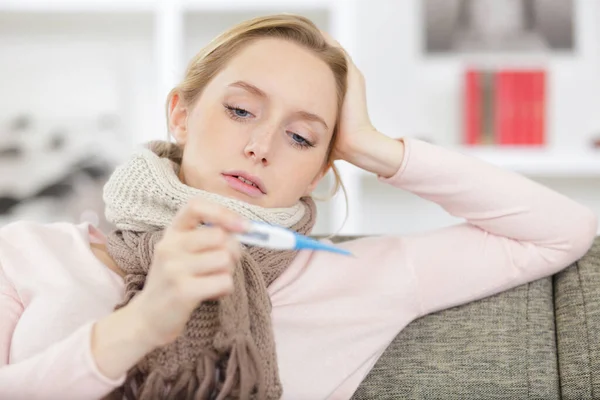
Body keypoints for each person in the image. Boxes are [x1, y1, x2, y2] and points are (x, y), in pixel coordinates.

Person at [0, 13, 597, 400]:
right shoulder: (27, 254)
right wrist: (134, 329)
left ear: (321, 168)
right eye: (240, 110)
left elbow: (560, 232)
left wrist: (373, 146)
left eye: (302, 138)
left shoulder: (360, 278)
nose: (261, 146)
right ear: (180, 114)